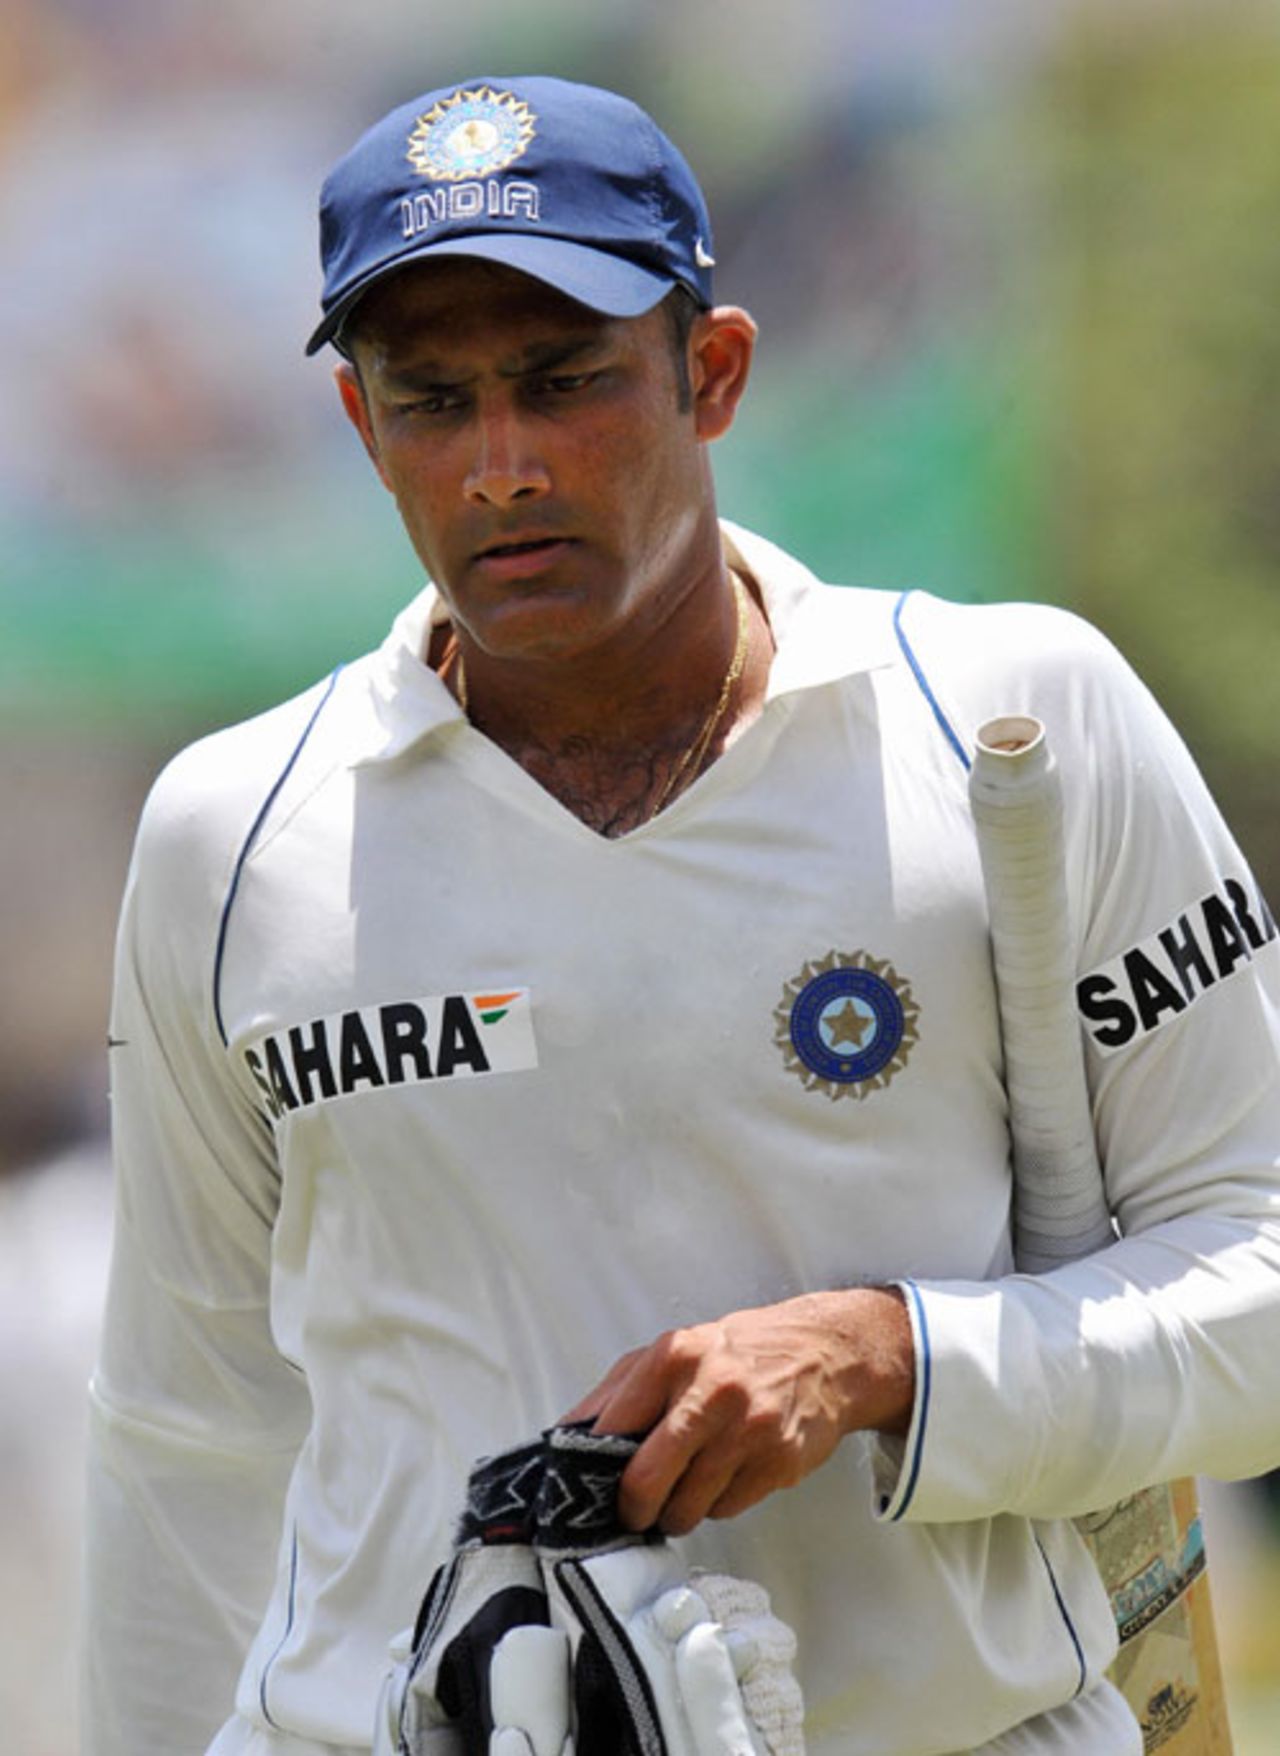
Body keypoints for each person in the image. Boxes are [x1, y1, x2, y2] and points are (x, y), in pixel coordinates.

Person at [82, 74, 1280, 1756]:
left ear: (709, 374)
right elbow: (187, 1430)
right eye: (432, 402)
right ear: (363, 428)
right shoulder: (233, 833)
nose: (500, 468)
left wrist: (893, 1360)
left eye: (564, 383)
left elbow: (1263, 1283)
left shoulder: (1015, 722)